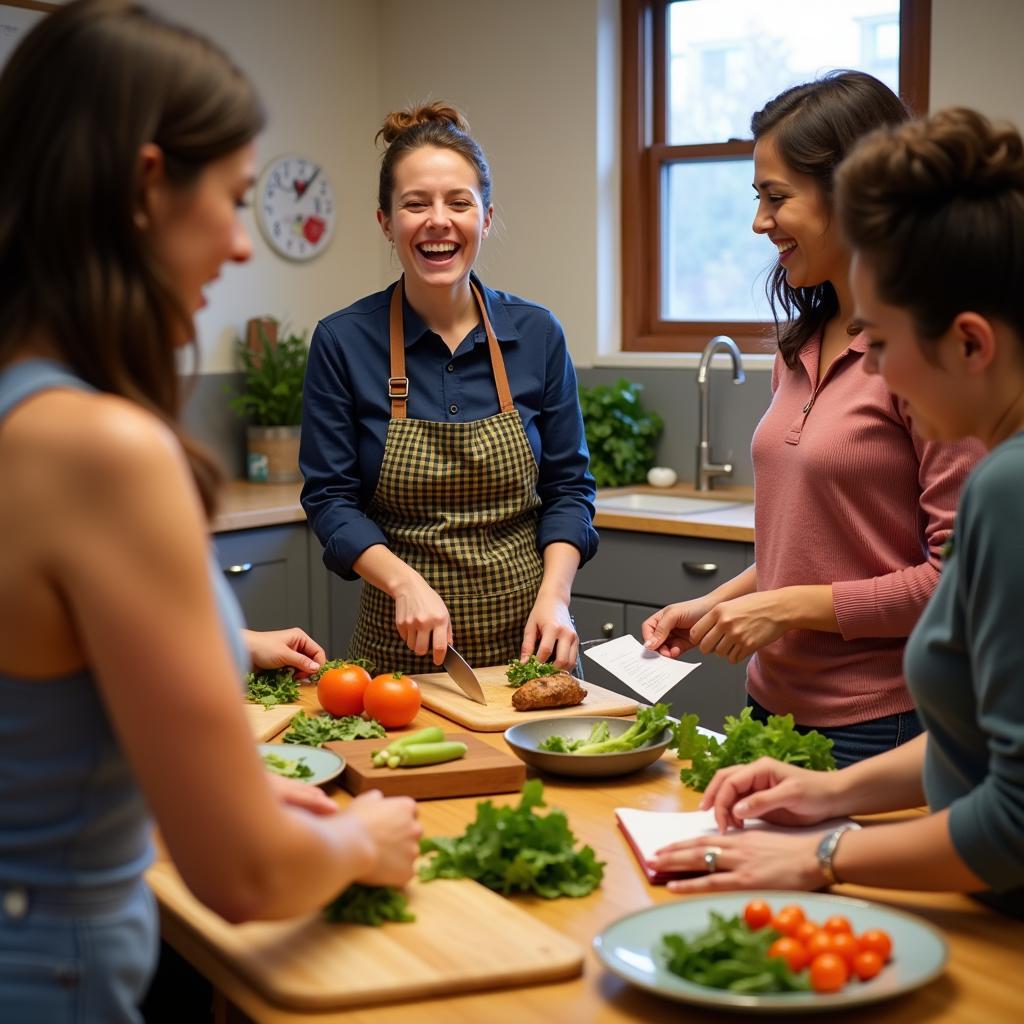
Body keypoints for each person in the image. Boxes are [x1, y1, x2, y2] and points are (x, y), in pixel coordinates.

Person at [0, 3, 420, 1020]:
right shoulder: (102, 447)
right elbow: (244, 874)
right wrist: (361, 840)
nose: (240, 246)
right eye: (233, 198)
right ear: (147, 185)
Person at [647, 106, 1024, 918]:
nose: (872, 370)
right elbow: (979, 751)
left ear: (969, 344)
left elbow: (1013, 817)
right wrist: (831, 794)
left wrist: (822, 856)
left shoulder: (1007, 488)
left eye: (882, 344)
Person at [642, 72, 983, 767]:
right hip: (769, 705)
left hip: (880, 725)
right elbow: (802, 554)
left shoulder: (930, 361)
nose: (760, 222)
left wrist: (787, 609)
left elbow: (959, 582)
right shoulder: (799, 346)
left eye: (777, 198)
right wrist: (715, 605)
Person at [300, 103, 597, 675]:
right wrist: (404, 583)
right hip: (398, 652)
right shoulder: (342, 341)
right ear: (386, 222)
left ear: (485, 218)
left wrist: (557, 597)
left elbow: (569, 489)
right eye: (416, 204)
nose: (439, 220)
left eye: (459, 202)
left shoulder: (538, 334)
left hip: (533, 649)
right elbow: (330, 500)